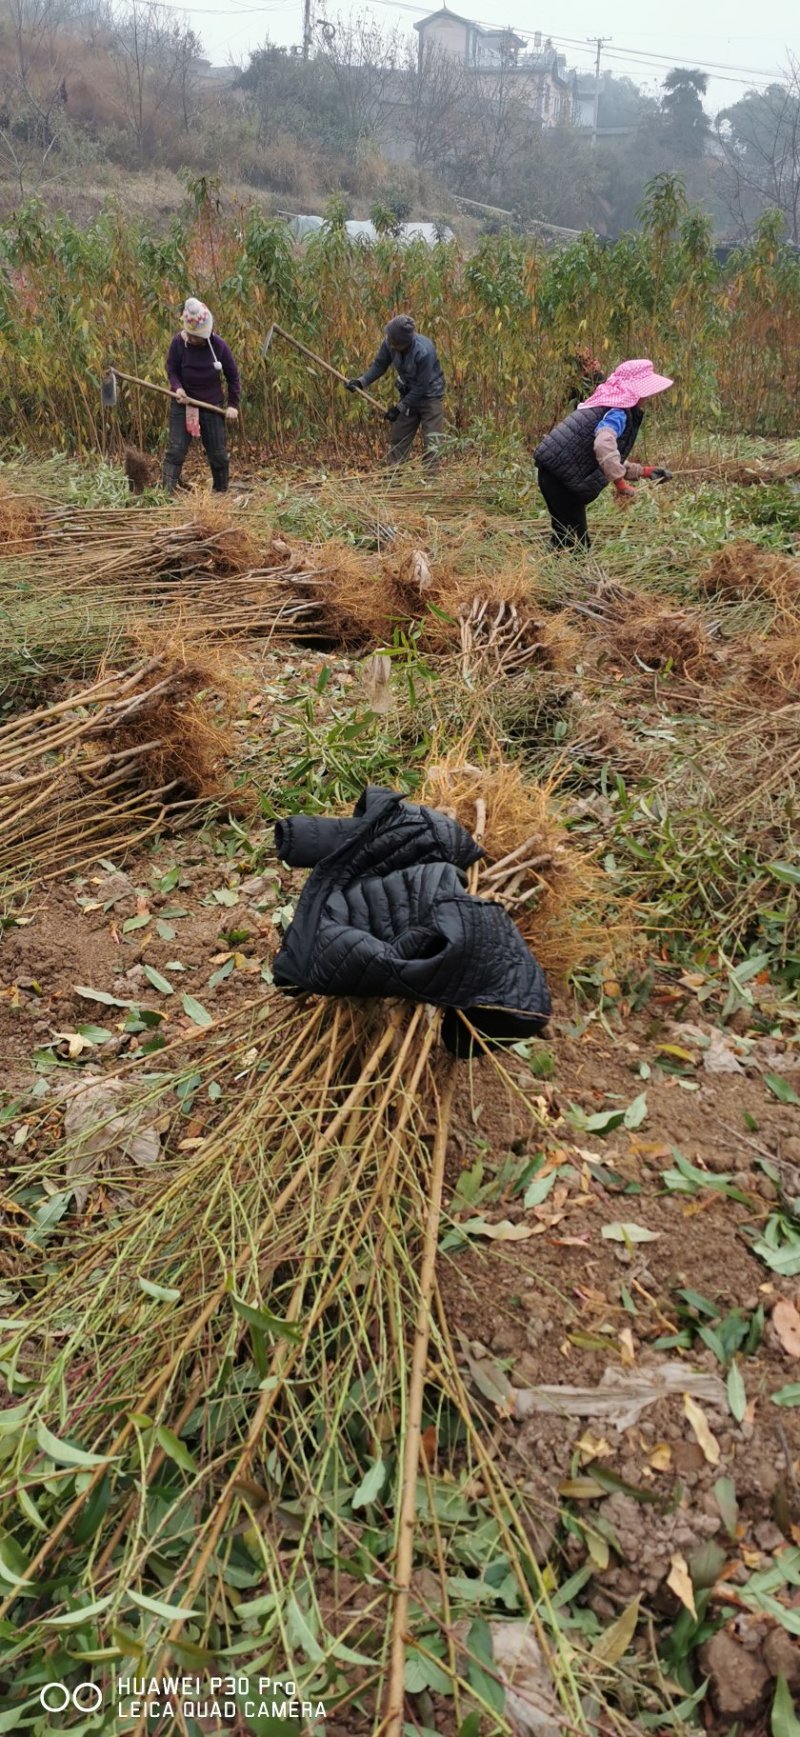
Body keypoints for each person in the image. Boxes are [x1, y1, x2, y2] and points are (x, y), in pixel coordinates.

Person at [533, 358, 674, 550]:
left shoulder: (609, 408)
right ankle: (560, 574)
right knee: (576, 541)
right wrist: (620, 484)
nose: (647, 397)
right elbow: (603, 446)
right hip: (561, 480)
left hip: (558, 476)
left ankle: (551, 572)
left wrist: (646, 472)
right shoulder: (618, 413)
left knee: (567, 536)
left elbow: (606, 458)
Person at [345, 313, 445, 472]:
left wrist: (399, 408)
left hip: (430, 396)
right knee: (399, 438)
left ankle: (430, 483)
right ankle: (393, 479)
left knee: (432, 442)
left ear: (403, 342)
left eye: (392, 340)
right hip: (409, 394)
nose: (389, 342)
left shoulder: (424, 351)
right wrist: (361, 382)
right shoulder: (389, 343)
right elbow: (379, 365)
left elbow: (421, 387)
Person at [162, 298, 240, 494]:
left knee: (218, 454)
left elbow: (233, 376)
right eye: (193, 337)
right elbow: (171, 369)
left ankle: (220, 492)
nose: (196, 340)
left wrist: (233, 405)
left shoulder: (219, 346)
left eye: (199, 337)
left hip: (211, 405)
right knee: (176, 449)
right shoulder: (178, 343)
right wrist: (177, 388)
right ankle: (167, 492)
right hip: (184, 402)